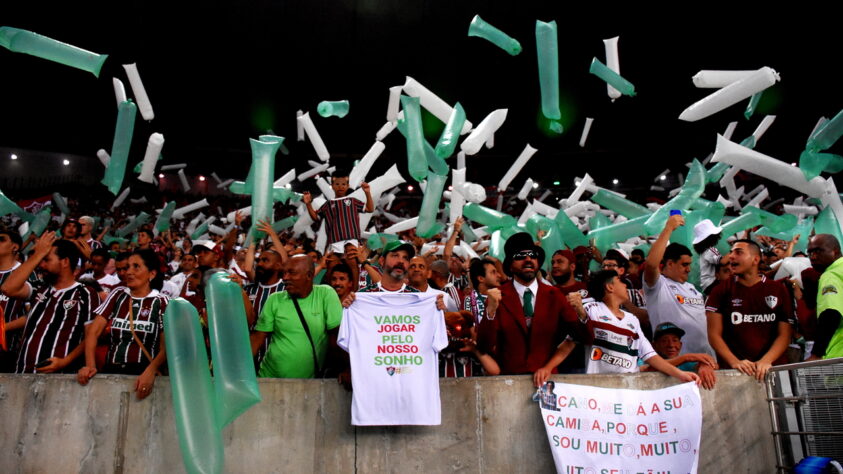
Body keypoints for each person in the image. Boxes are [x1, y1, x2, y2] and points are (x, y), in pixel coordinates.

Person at [534, 270, 700, 387]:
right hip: (600, 388)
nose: (626, 286)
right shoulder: (591, 309)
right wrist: (547, 368)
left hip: (630, 388)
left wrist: (681, 375)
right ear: (610, 287)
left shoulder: (632, 320)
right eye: (620, 281)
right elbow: (570, 343)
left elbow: (651, 356)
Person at [477, 233, 586, 375]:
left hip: (548, 380)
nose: (528, 259)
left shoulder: (554, 294)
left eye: (532, 255)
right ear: (510, 265)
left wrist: (581, 312)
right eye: (520, 256)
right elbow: (484, 346)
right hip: (510, 381)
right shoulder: (497, 296)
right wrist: (490, 312)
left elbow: (580, 337)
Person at [1, 233, 100, 373]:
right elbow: (8, 288)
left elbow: (91, 336)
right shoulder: (38, 287)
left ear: (65, 262)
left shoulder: (86, 293)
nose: (41, 264)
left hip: (59, 377)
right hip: (23, 373)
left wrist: (65, 361)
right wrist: (38, 254)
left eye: (46, 260)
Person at [77, 249, 169, 399]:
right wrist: (90, 365)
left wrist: (150, 371)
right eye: (127, 267)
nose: (129, 272)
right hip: (111, 371)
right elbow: (93, 332)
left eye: (136, 267)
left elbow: (166, 347)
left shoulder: (162, 302)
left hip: (142, 376)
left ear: (152, 274)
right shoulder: (118, 294)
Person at [705, 239, 794, 381]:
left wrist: (766, 360)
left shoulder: (778, 289)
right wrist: (734, 361)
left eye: (738, 252)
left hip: (773, 368)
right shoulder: (720, 290)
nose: (732, 256)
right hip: (735, 372)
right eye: (731, 252)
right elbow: (714, 334)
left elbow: (784, 334)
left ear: (755, 259)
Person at [250, 255, 343, 378]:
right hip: (269, 378)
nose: (285, 278)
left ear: (309, 275)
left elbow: (337, 336)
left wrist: (344, 369)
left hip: (310, 384)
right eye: (284, 273)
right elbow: (257, 338)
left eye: (291, 273)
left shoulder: (325, 294)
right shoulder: (274, 299)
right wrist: (237, 370)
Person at [643, 214, 714, 357]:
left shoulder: (693, 290)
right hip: (676, 362)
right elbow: (651, 264)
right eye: (684, 265)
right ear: (669, 264)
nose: (689, 269)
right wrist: (668, 228)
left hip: (706, 360)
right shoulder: (658, 286)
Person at [303, 170, 374, 254]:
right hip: (334, 242)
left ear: (348, 186)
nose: (340, 186)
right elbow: (316, 217)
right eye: (337, 184)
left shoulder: (353, 201)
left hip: (352, 240)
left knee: (352, 264)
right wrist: (308, 204)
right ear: (332, 186)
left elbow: (370, 209)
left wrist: (367, 193)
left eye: (343, 184)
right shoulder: (328, 204)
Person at [644, 322, 717, 390]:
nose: (671, 345)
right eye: (664, 341)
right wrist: (686, 357)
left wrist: (704, 365)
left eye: (675, 340)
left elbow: (714, 364)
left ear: (680, 344)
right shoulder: (644, 360)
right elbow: (649, 368)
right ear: (654, 346)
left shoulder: (685, 364)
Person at [244, 248, 285, 369]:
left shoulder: (287, 290)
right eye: (259, 260)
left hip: (277, 360)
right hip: (250, 359)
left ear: (278, 266)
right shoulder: (247, 290)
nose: (260, 264)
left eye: (265, 260)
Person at [807, 234, 843, 360]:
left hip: (839, 355)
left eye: (818, 251)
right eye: (810, 253)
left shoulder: (831, 275)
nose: (813, 257)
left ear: (835, 251)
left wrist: (816, 353)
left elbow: (831, 313)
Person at [0, 228, 27, 372]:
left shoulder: (26, 274)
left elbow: (33, 314)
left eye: (1, 239)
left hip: (8, 349)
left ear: (15, 247)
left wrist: (3, 328)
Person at [464, 258, 501, 325]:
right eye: (493, 272)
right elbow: (471, 331)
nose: (499, 275)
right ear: (481, 278)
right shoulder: (469, 300)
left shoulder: (504, 296)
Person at [692, 219, 723, 292]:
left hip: (706, 285)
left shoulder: (704, 252)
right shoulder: (711, 251)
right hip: (712, 282)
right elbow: (722, 261)